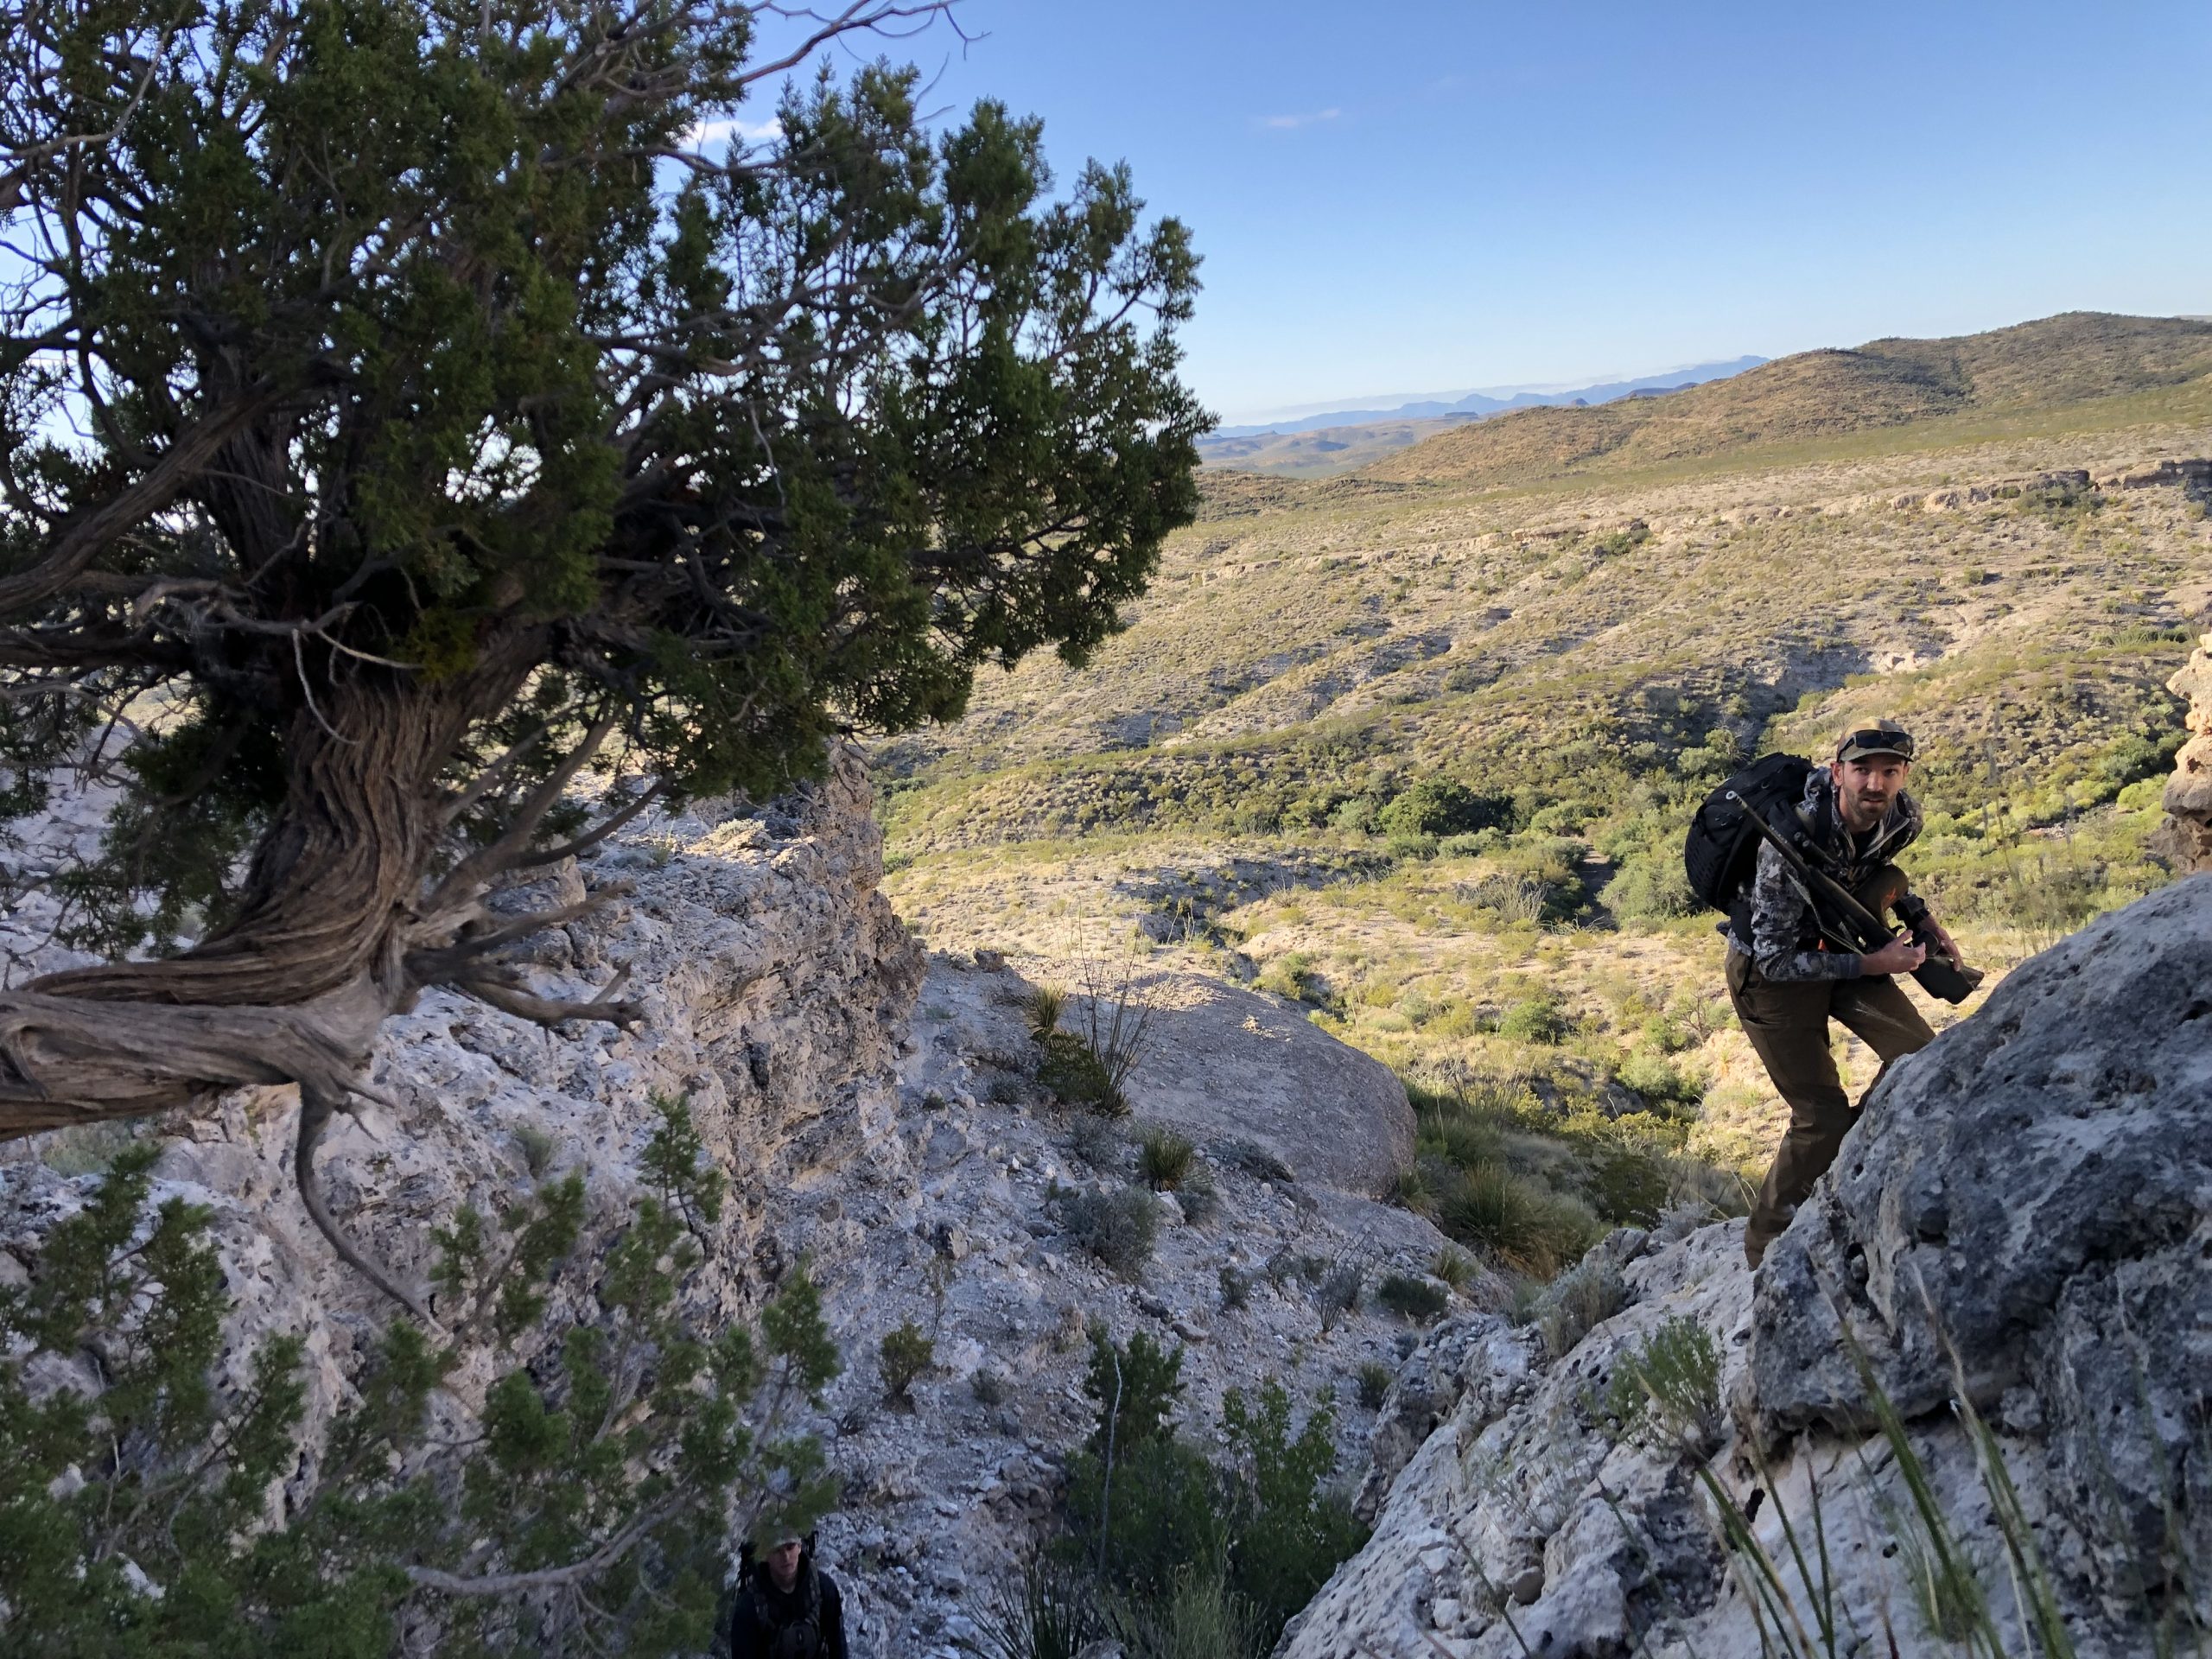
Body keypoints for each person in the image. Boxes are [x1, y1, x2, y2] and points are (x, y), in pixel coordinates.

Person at [1726, 721, 1961, 1268]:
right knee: (1820, 1117)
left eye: (1889, 771)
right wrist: (1874, 964)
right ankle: (1764, 1253)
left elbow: (1874, 870)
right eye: (1862, 770)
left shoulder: (1902, 819)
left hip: (1837, 943)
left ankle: (1850, 1159)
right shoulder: (1787, 842)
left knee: (1918, 1060)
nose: (1874, 784)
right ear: (1837, 774)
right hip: (1772, 975)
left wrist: (1916, 912)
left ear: (1904, 777)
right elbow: (1776, 958)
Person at [724, 1529, 849, 1659]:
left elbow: (838, 1645)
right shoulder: (750, 1606)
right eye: (777, 1550)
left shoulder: (824, 1589)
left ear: (799, 1547)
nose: (786, 1557)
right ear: (766, 1555)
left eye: (790, 1547)